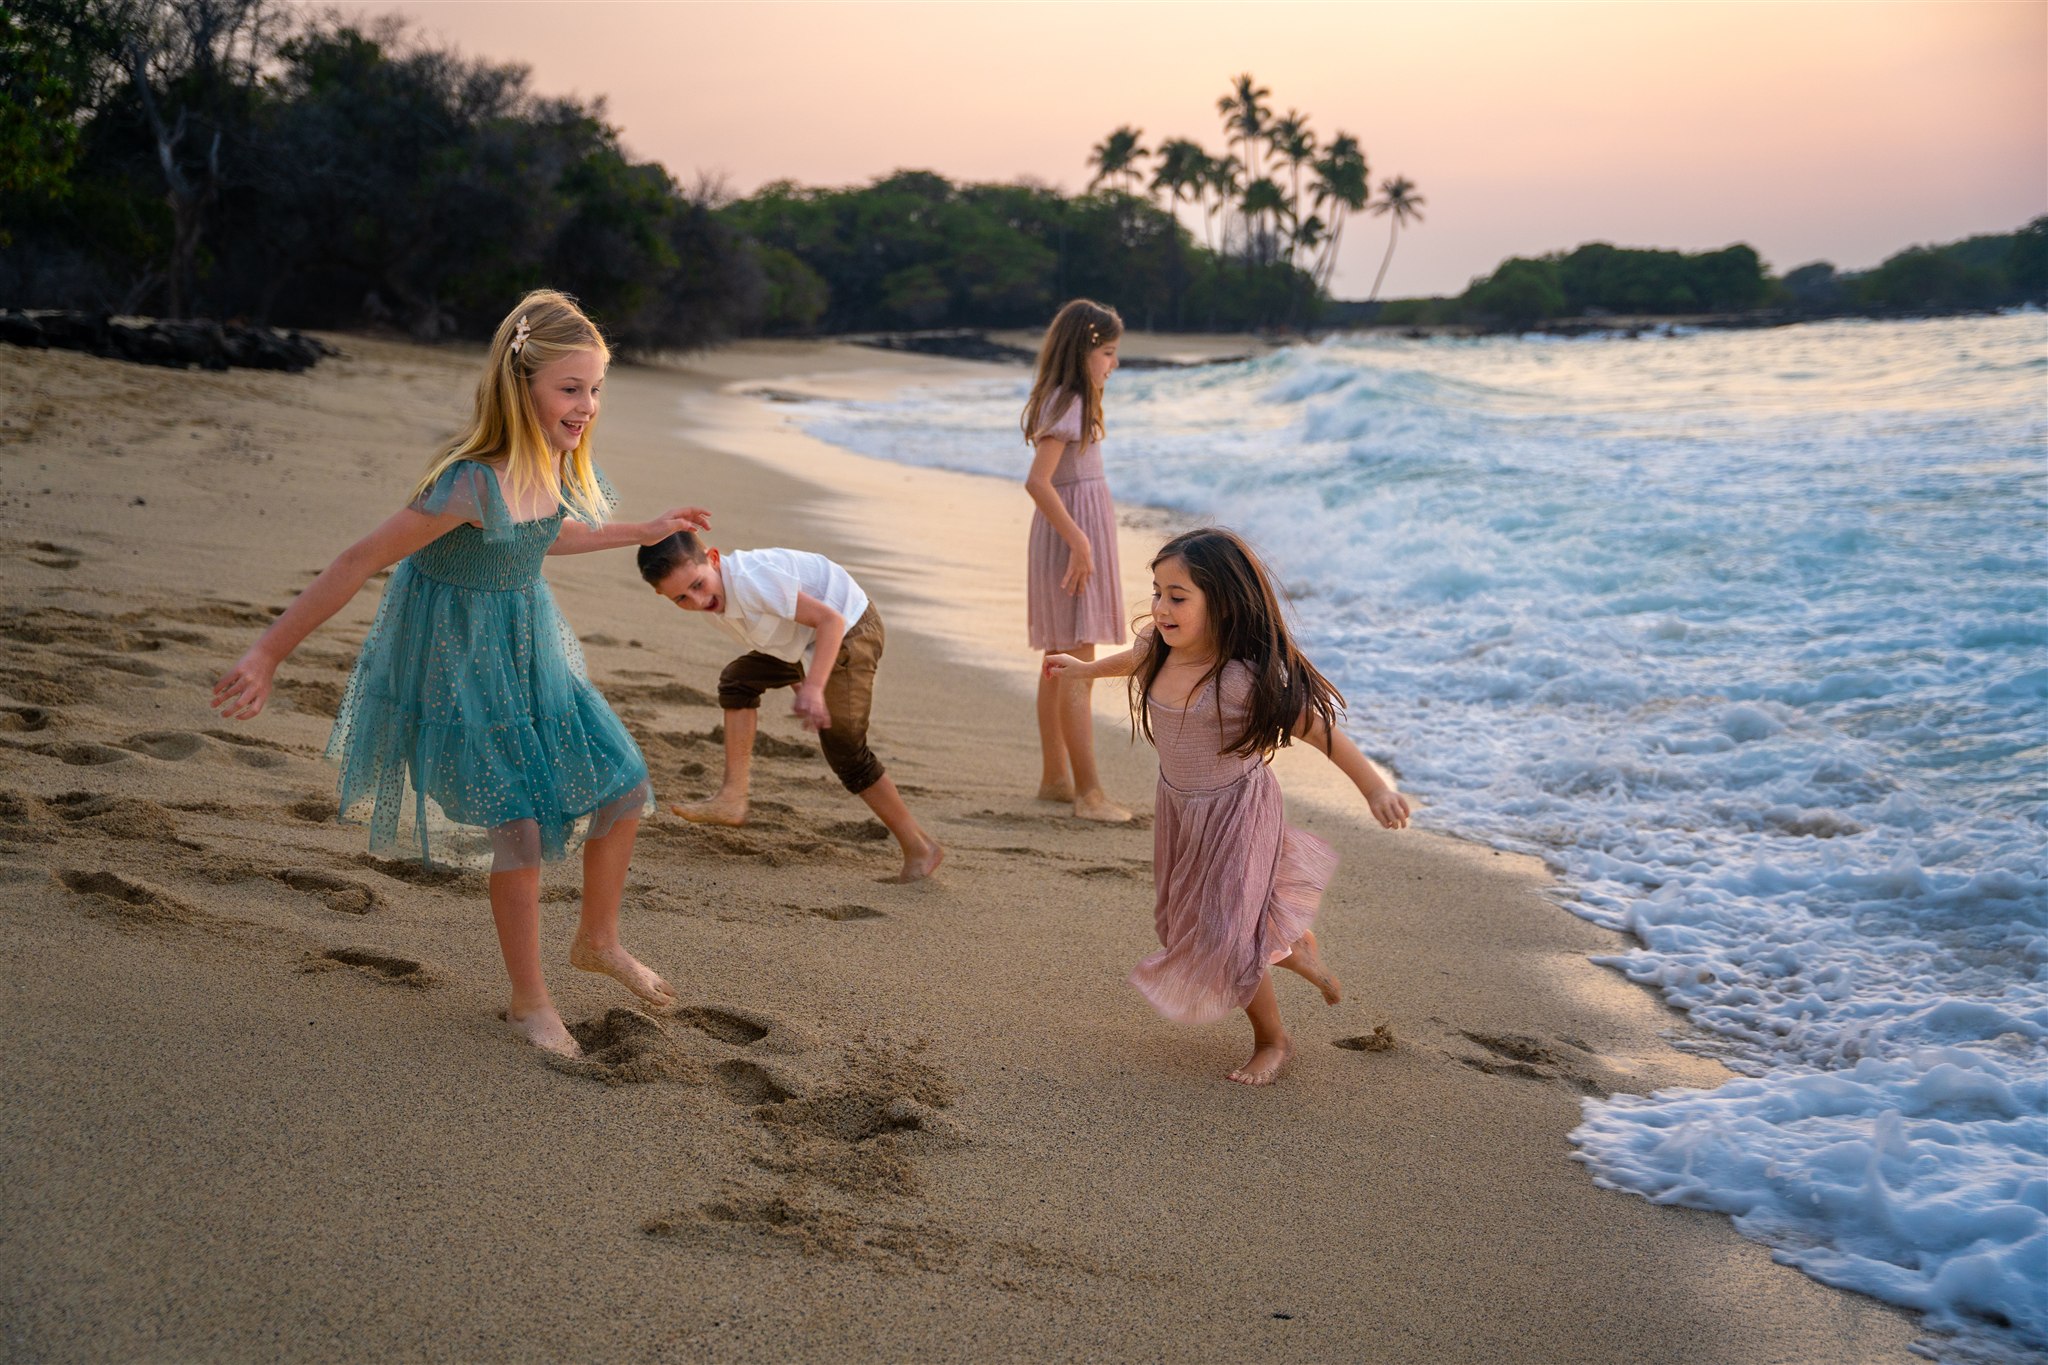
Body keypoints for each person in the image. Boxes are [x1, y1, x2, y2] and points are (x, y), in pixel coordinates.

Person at [212, 289, 705, 1058]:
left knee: (624, 781)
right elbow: (358, 560)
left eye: (596, 388)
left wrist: (639, 531)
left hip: (527, 648)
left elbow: (539, 536)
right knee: (517, 828)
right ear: (523, 386)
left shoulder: (557, 460)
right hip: (458, 662)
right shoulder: (468, 481)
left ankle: (598, 939)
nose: (587, 404)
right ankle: (528, 1001)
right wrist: (268, 652)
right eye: (570, 388)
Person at [1045, 527, 1413, 1086]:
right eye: (1157, 591)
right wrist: (1084, 671)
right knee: (1180, 925)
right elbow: (1131, 659)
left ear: (1221, 604)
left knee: (1224, 934)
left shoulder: (1239, 681)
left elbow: (1318, 731)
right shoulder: (1157, 650)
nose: (1161, 608)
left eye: (1178, 596)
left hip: (1238, 812)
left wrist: (1375, 789)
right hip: (1181, 810)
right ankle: (1294, 951)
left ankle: (1273, 1040)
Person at [637, 532, 944, 884]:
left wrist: (814, 688)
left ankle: (920, 848)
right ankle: (732, 796)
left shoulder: (752, 583)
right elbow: (778, 638)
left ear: (715, 559)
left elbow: (831, 621)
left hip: (850, 628)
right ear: (662, 595)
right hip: (808, 640)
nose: (698, 599)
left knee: (846, 751)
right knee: (738, 681)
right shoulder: (717, 599)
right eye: (681, 598)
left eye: (698, 584)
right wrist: (804, 683)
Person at [1022, 298, 1133, 823]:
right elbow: (1037, 482)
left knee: (1056, 661)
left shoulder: (1062, 397)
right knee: (1077, 666)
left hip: (1067, 535)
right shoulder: (1070, 402)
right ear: (1086, 349)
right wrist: (1081, 543)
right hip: (1071, 539)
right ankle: (1089, 794)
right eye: (1108, 352)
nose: (1113, 364)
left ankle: (1054, 780)